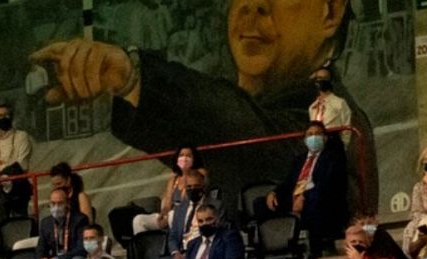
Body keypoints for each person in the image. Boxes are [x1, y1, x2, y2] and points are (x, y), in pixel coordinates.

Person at [29, 14, 376, 214]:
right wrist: (130, 85)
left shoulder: (330, 113)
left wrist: (137, 76)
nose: (251, 8)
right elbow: (202, 135)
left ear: (329, 11)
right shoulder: (246, 107)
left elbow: (254, 136)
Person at [267, 122, 349, 258]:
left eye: (317, 134)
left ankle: (316, 249)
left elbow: (327, 184)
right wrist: (273, 192)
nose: (313, 137)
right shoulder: (299, 159)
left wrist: (304, 196)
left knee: (314, 201)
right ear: (305, 140)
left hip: (317, 197)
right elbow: (288, 182)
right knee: (260, 204)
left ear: (325, 138)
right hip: (295, 196)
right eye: (310, 134)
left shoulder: (332, 158)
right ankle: (272, 249)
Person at [23, 187, 88, 259]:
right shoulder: (46, 223)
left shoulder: (80, 220)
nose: (56, 207)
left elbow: (81, 248)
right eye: (53, 203)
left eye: (60, 203)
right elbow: (41, 247)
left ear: (67, 204)